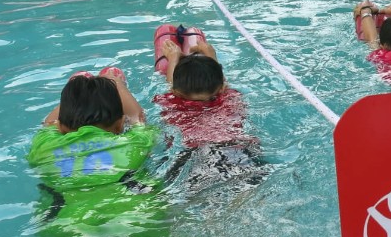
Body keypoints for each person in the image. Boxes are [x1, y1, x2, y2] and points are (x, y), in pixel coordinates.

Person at [27, 67, 158, 222]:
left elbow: (49, 123)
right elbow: (138, 118)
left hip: (63, 224)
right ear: (120, 125)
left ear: (61, 127)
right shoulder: (132, 143)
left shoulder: (44, 147)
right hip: (136, 218)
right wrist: (116, 82)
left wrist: (76, 92)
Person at [153, 34, 261, 186]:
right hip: (237, 148)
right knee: (248, 187)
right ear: (221, 87)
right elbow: (221, 83)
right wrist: (211, 55)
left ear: (177, 92)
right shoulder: (228, 97)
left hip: (194, 154)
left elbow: (172, 86)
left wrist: (173, 58)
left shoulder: (173, 102)